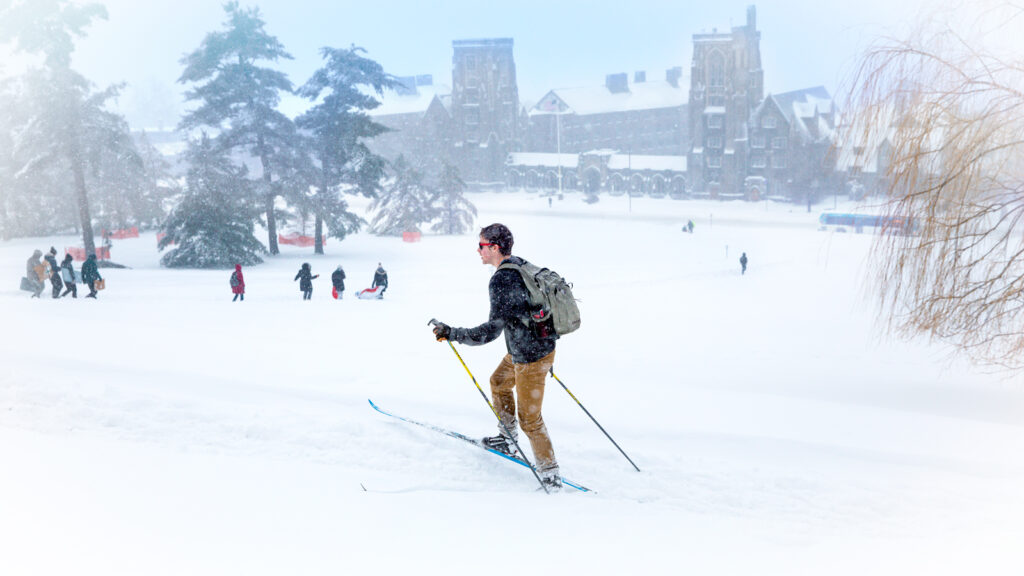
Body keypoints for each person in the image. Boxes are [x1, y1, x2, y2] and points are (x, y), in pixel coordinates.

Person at [430, 223, 562, 490]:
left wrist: (453, 333)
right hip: (533, 349)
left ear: (494, 247)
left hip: (530, 357)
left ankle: (550, 475)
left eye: (481, 245)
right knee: (499, 382)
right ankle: (507, 438)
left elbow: (490, 331)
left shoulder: (502, 279)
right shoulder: (517, 265)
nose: (477, 250)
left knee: (530, 419)